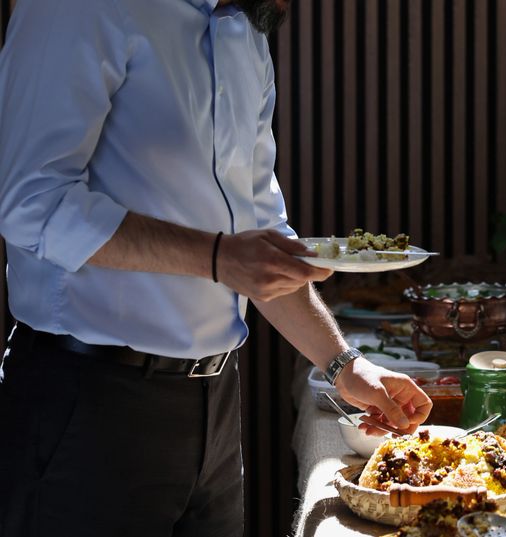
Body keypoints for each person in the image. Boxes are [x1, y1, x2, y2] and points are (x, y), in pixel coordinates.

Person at [0, 0, 432, 535]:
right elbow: (30, 203)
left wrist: (344, 364)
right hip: (88, 409)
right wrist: (217, 257)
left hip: (216, 408)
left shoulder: (244, 30)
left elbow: (261, 243)